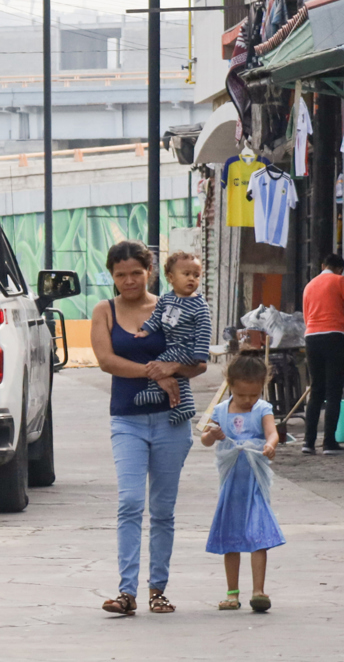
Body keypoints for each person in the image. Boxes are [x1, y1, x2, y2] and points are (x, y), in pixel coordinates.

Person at [91, 240, 207, 615]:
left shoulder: (173, 305)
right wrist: (154, 373)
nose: (129, 281)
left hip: (171, 421)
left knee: (162, 509)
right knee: (129, 502)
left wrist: (174, 369)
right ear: (112, 275)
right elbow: (107, 361)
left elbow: (197, 361)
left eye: (136, 273)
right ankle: (126, 592)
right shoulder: (104, 311)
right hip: (127, 419)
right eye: (121, 274)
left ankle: (158, 589)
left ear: (150, 273)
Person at [200, 353, 285, 613]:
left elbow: (272, 433)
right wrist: (211, 435)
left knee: (258, 536)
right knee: (231, 537)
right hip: (231, 487)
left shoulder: (262, 409)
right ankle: (232, 593)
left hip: (255, 485)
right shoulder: (220, 411)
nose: (248, 401)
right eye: (242, 396)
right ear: (230, 385)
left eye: (254, 395)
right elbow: (205, 438)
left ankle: (258, 590)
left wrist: (270, 445)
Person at [133, 251, 211, 424]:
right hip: (173, 346)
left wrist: (200, 355)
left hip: (187, 349)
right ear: (170, 277)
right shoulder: (165, 300)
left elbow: (204, 330)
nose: (192, 279)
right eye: (186, 274)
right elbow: (156, 319)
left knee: (159, 363)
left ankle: (153, 391)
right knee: (178, 377)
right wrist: (145, 331)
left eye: (196, 275)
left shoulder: (199, 305)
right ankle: (185, 407)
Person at [301, 253, 344, 455]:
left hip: (311, 337)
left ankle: (308, 443)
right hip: (334, 335)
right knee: (334, 390)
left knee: (316, 389)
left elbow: (306, 315)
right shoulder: (339, 281)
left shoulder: (309, 286)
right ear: (339, 269)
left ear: (322, 265)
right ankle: (329, 443)